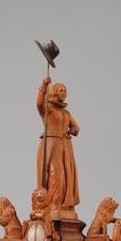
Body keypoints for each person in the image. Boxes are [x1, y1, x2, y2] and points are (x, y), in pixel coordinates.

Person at [37, 77, 80, 215]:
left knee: (66, 176)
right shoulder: (48, 109)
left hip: (64, 146)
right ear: (54, 93)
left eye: (65, 91)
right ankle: (53, 206)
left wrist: (68, 132)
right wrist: (44, 86)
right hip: (51, 144)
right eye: (61, 90)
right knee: (55, 175)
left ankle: (64, 206)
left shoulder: (66, 113)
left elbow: (76, 129)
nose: (64, 93)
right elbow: (39, 104)